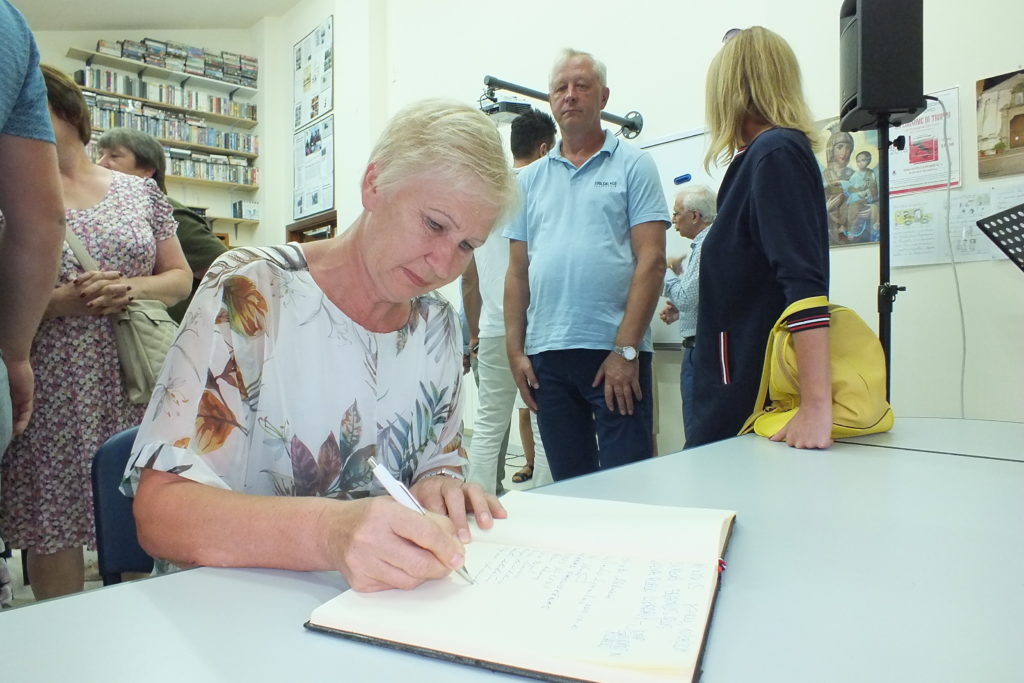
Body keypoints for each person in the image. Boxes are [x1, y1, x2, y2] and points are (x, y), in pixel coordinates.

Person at [127, 100, 518, 593]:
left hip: (378, 607)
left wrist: (439, 488)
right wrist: (330, 532)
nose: (443, 265)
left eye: (466, 246)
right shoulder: (251, 290)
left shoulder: (436, 323)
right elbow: (161, 513)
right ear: (374, 184)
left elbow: (436, 466)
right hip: (233, 603)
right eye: (434, 224)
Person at [0, 65, 192, 600]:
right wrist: (52, 302)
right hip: (46, 379)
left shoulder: (139, 193)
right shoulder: (10, 191)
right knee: (51, 518)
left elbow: (179, 278)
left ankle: (138, 631)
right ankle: (60, 636)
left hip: (133, 374)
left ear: (69, 113)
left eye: (29, 106)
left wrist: (128, 288)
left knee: (140, 506)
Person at [504, 49, 668, 481]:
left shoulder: (634, 165)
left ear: (604, 97)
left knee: (627, 486)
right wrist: (516, 352)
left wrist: (626, 350)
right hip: (548, 357)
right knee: (569, 488)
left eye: (582, 86)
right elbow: (517, 273)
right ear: (550, 100)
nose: (570, 95)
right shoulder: (529, 181)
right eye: (561, 87)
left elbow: (652, 261)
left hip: (614, 352)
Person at [686, 27, 832, 450]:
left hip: (750, 397)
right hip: (734, 386)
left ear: (732, 85)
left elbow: (803, 283)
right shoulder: (759, 157)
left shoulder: (775, 153)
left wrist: (816, 405)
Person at [0, 0, 65, 606]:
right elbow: (40, 223)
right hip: (41, 353)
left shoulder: (139, 197)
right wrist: (14, 351)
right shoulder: (8, 26)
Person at [463, 109, 555, 493]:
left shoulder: (488, 198)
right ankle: (548, 505)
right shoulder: (543, 187)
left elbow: (469, 278)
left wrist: (474, 333)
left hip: (492, 328)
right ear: (545, 149)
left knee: (488, 424)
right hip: (534, 327)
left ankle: (478, 502)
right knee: (545, 422)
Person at [96, 127, 228, 322]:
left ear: (147, 170)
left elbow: (226, 269)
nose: (101, 163)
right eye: (100, 155)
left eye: (114, 156)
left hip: (158, 330)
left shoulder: (170, 213)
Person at [657, 185, 716, 442]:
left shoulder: (706, 246)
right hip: (704, 347)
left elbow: (685, 298)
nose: (672, 220)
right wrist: (681, 312)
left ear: (694, 216)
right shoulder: (710, 243)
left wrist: (665, 269)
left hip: (701, 351)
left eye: (676, 213)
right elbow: (705, 298)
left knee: (697, 434)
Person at [822, 128, 854, 244]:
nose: (844, 152)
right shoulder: (822, 176)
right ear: (831, 149)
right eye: (840, 147)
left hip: (848, 226)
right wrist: (826, 208)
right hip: (828, 230)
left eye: (848, 148)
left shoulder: (853, 175)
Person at [845, 149, 878, 242]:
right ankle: (851, 230)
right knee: (853, 209)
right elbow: (849, 187)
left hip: (867, 197)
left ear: (868, 161)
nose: (860, 163)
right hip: (856, 197)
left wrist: (868, 191)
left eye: (863, 160)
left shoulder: (871, 173)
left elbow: (874, 186)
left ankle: (874, 229)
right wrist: (858, 191)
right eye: (858, 161)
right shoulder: (855, 175)